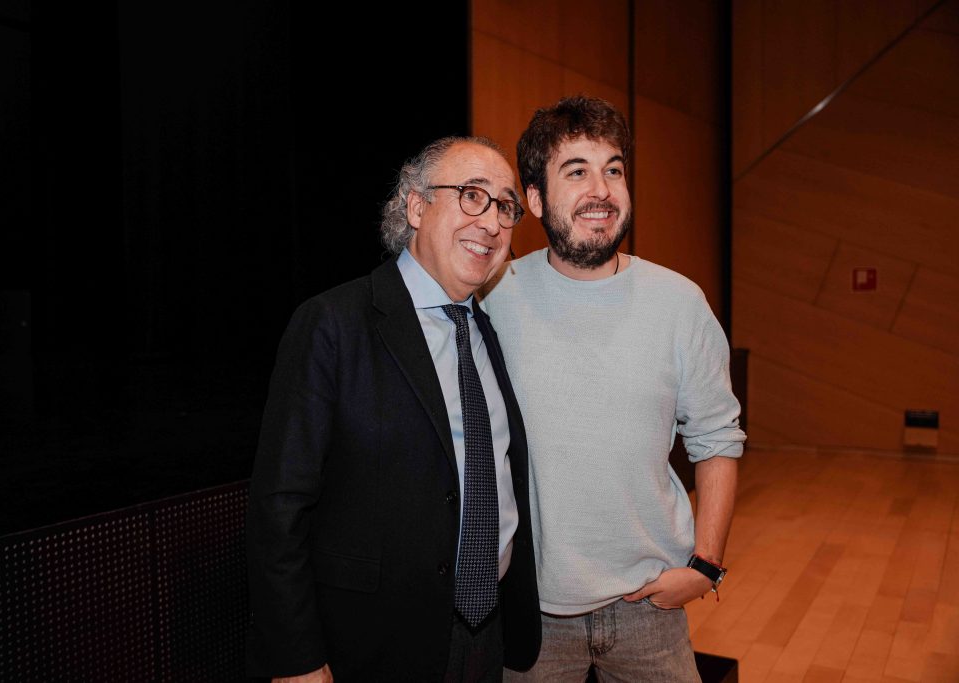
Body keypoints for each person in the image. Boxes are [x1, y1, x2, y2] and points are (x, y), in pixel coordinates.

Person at [246, 136, 541, 683]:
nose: (491, 222)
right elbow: (279, 507)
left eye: (505, 206)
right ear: (416, 206)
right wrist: (297, 658)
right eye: (472, 195)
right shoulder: (333, 323)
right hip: (374, 644)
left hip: (488, 631)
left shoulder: (485, 330)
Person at [481, 95, 745, 683]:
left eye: (614, 169)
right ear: (535, 199)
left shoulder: (680, 303)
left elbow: (717, 439)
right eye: (576, 171)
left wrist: (706, 565)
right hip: (533, 611)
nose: (601, 190)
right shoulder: (495, 297)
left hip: (651, 605)